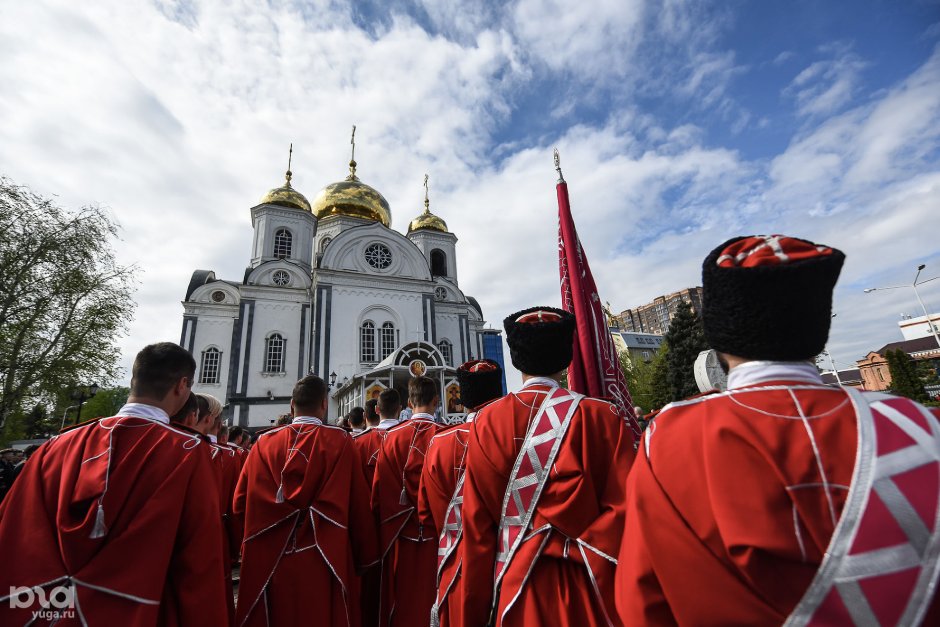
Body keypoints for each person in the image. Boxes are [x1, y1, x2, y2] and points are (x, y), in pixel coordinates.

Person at [616, 235, 940, 625]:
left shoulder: (670, 438)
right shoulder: (917, 422)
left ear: (716, 337)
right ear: (819, 330)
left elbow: (643, 600)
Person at [0, 342, 228, 625]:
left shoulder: (57, 445)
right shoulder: (188, 452)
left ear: (134, 380)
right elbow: (198, 558)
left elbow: (14, 527)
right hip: (133, 609)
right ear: (183, 385)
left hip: (42, 607)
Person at [458, 307, 635, 627]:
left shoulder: (485, 423)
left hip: (516, 592)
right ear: (566, 357)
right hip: (592, 590)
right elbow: (626, 518)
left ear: (515, 358)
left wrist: (473, 610)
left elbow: (477, 527)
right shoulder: (603, 416)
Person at [234, 375, 378, 627]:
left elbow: (240, 503)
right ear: (324, 404)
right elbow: (358, 504)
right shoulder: (340, 441)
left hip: (271, 556)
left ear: (291, 406)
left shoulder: (263, 443)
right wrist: (365, 557)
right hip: (323, 556)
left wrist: (247, 549)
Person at [418, 359, 504, 627]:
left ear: (462, 399)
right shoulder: (512, 436)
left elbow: (425, 514)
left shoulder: (440, 442)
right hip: (509, 566)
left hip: (457, 567)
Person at [372, 376, 445, 627]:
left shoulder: (391, 438)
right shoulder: (448, 436)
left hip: (400, 535)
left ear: (409, 403)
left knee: (403, 601)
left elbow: (378, 493)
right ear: (437, 400)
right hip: (438, 537)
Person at [353, 388, 402, 627]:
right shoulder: (408, 438)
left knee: (371, 593)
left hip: (368, 528)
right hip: (404, 530)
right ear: (401, 409)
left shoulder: (357, 444)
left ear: (376, 410)